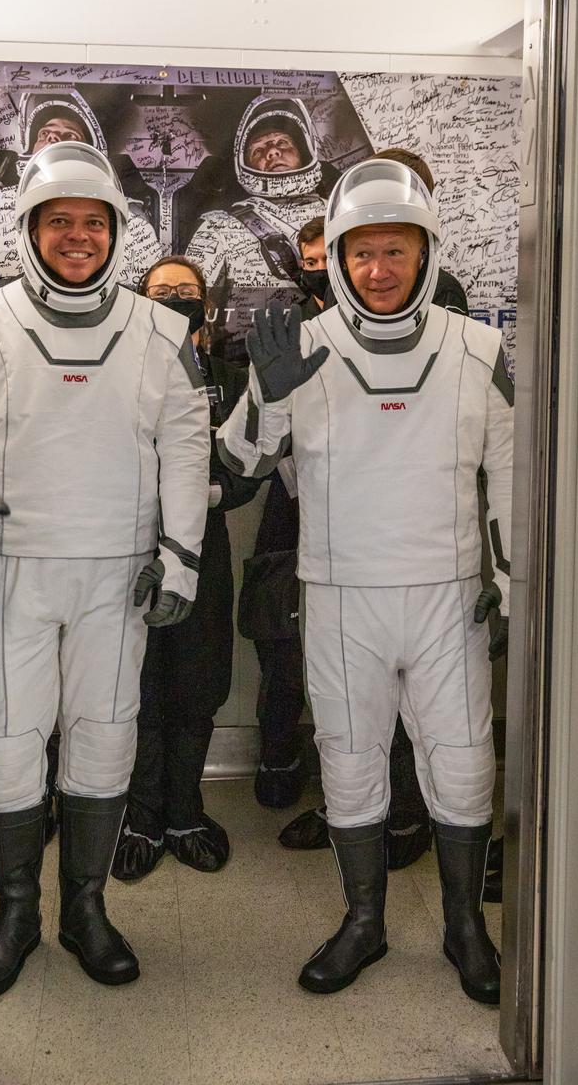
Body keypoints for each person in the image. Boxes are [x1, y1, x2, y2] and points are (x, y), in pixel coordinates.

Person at [0, 141, 210, 1000]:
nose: (76, 237)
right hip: (14, 569)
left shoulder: (161, 330)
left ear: (115, 232)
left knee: (103, 734)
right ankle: (14, 913)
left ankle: (84, 908)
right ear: (30, 231)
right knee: (4, 738)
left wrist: (181, 558)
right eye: (59, 222)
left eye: (92, 222)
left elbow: (187, 448)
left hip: (119, 575)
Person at [217, 158, 512, 1003]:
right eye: (361, 253)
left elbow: (513, 476)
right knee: (348, 763)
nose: (377, 270)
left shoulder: (478, 349)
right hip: (340, 594)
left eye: (395, 251)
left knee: (459, 765)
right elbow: (236, 472)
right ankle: (363, 922)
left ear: (424, 253)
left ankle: (465, 929)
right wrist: (265, 397)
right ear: (335, 258)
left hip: (447, 592)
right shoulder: (299, 350)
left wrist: (508, 577)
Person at [111, 256, 260, 880]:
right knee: (139, 684)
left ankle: (185, 811)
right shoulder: (123, 370)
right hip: (133, 550)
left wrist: (208, 494)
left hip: (207, 548)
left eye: (186, 292)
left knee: (198, 683)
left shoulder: (232, 372)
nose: (174, 300)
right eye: (161, 292)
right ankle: (141, 816)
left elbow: (255, 460)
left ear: (207, 305)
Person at [0, 89, 161, 350]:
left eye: (68, 136)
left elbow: (144, 303)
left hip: (93, 338)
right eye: (45, 134)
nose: (54, 140)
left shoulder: (132, 226)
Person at [246, 217, 326, 811]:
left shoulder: (429, 311)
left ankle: (349, 793)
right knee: (279, 637)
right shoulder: (288, 322)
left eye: (329, 256)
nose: (319, 267)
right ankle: (279, 758)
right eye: (310, 258)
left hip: (369, 510)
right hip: (291, 499)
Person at [185, 94, 335, 360]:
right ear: (245, 163)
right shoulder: (218, 228)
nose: (273, 152)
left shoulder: (342, 214)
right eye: (259, 150)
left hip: (335, 357)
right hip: (249, 367)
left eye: (282, 143)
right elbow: (189, 308)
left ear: (303, 149)